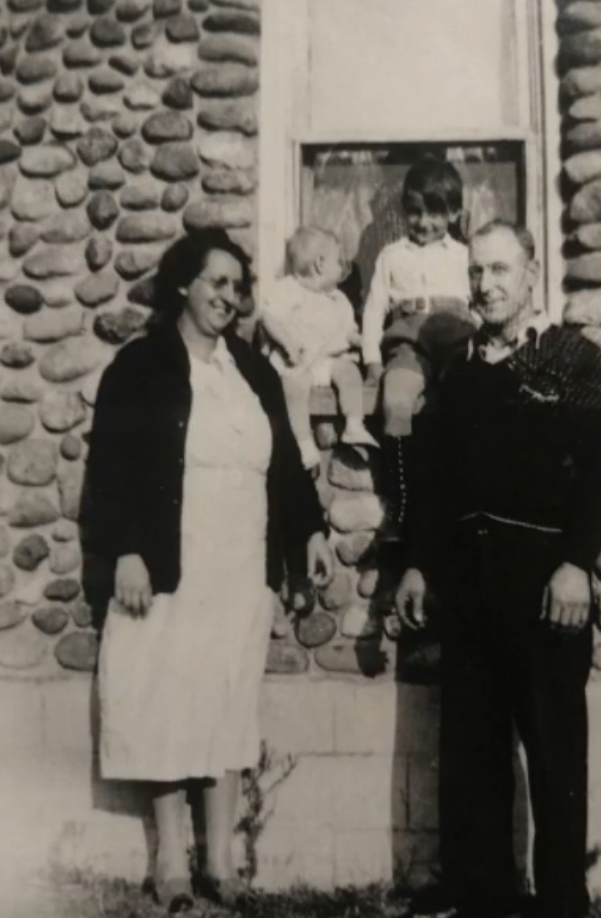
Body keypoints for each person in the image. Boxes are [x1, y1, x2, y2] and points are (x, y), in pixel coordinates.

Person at [81, 228, 334, 914]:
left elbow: (284, 461)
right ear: (183, 287)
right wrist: (127, 549)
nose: (229, 296)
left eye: (237, 285)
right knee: (165, 695)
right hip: (169, 560)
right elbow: (112, 467)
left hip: (238, 561)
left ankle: (219, 863)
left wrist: (308, 530)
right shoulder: (139, 368)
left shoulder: (252, 370)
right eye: (216, 282)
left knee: (225, 699)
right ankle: (170, 865)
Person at [396, 220, 601, 918]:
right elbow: (431, 484)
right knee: (471, 760)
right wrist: (414, 565)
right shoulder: (459, 370)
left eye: (501, 271)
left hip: (546, 590)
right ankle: (485, 901)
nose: (487, 285)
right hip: (469, 589)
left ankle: (560, 904)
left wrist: (576, 564)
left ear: (531, 277)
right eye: (478, 273)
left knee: (556, 760)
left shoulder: (575, 360)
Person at [361, 157, 474, 540]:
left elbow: (478, 305)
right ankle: (401, 504)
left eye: (435, 214)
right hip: (408, 342)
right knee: (395, 402)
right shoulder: (391, 256)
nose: (424, 223)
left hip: (455, 338)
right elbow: (375, 308)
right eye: (415, 212)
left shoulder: (464, 256)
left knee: (465, 400)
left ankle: (465, 503)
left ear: (455, 212)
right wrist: (373, 361)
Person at [261, 226, 378, 470]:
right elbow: (269, 316)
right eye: (339, 261)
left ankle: (354, 424)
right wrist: (287, 342)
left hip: (326, 362)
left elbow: (348, 330)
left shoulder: (337, 298)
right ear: (319, 265)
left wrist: (358, 339)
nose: (342, 267)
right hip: (297, 361)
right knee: (294, 388)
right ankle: (303, 442)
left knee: (348, 371)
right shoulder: (289, 289)